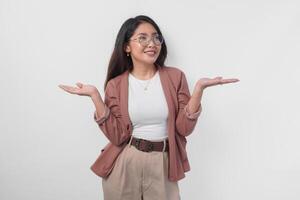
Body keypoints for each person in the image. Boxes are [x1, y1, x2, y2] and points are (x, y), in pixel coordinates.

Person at [58, 15, 239, 200]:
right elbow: (118, 136)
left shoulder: (175, 77)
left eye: (156, 37)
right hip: (126, 162)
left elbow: (183, 129)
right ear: (127, 46)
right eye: (142, 38)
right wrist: (95, 97)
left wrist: (199, 90)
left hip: (163, 162)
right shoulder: (116, 85)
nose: (152, 43)